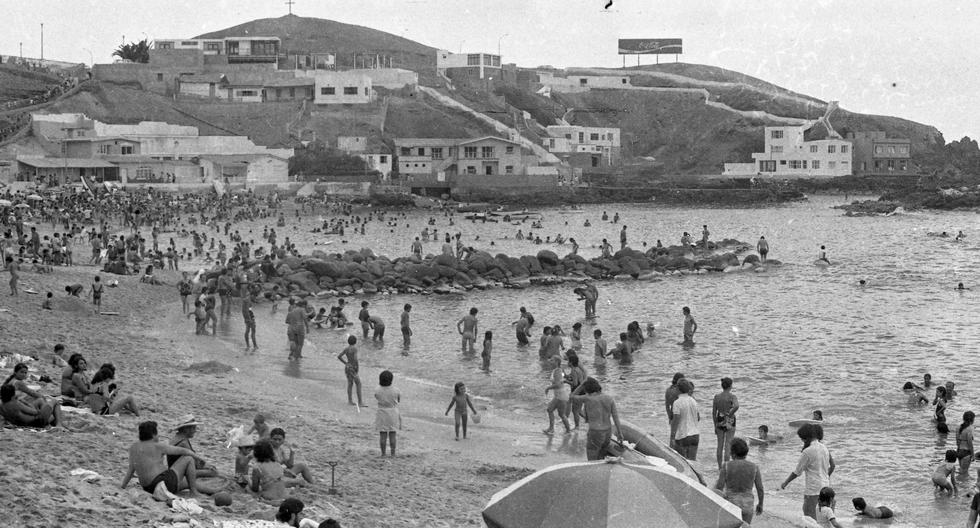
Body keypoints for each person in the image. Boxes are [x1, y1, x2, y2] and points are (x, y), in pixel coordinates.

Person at [120, 420, 206, 500]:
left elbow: (130, 470)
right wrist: (198, 458)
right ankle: (194, 492)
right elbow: (184, 451)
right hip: (163, 483)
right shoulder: (158, 446)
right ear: (153, 435)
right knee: (188, 459)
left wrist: (123, 486)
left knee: (183, 482)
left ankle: (198, 487)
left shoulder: (134, 448)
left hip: (147, 488)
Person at [780, 423, 836, 520]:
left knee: (810, 517)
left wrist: (785, 483)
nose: (802, 441)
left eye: (802, 438)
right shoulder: (824, 447)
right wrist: (826, 477)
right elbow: (833, 465)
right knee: (826, 518)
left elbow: (797, 472)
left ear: (806, 438)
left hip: (813, 489)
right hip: (826, 487)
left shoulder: (807, 452)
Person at [570, 378, 623, 460]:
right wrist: (620, 433)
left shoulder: (587, 398)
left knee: (592, 458)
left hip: (595, 432)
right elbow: (616, 417)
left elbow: (572, 396)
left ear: (587, 388)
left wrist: (581, 385)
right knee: (602, 457)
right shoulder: (609, 398)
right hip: (608, 432)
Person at [713, 437, 764, 524]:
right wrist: (760, 504)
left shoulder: (726, 466)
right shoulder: (754, 467)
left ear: (732, 453)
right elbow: (760, 489)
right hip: (747, 505)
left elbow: (719, 487)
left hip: (731, 504)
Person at [168, 415, 218, 482]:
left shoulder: (177, 437)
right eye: (194, 428)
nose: (195, 431)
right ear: (186, 429)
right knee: (213, 472)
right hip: (178, 472)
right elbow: (194, 463)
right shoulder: (183, 442)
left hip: (173, 469)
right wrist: (206, 466)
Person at [0, 384, 64, 428]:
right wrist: (26, 403)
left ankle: (50, 418)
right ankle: (59, 425)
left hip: (20, 423)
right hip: (36, 422)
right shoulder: (16, 403)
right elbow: (35, 412)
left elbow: (3, 419)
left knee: (40, 400)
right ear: (12, 395)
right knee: (55, 401)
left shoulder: (1, 405)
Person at [712, 377, 740, 469]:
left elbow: (713, 412)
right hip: (730, 421)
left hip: (719, 420)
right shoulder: (732, 396)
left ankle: (720, 467)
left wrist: (715, 425)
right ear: (730, 386)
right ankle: (726, 468)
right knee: (728, 445)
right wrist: (730, 413)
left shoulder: (717, 397)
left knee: (719, 445)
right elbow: (736, 406)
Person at [672, 378, 700, 460]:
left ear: (678, 389)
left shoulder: (677, 403)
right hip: (695, 435)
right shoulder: (693, 401)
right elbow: (698, 418)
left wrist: (672, 437)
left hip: (682, 435)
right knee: (693, 462)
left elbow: (676, 420)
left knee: (682, 461)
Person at [543, 355, 571, 435]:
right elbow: (565, 377)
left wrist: (548, 388)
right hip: (559, 395)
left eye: (552, 360)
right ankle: (551, 428)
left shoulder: (557, 371)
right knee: (550, 409)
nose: (550, 362)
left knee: (561, 414)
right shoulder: (559, 369)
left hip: (560, 395)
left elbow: (558, 384)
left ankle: (568, 431)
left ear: (557, 362)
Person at [375, 370, 401, 456]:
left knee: (383, 436)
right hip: (393, 413)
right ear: (391, 380)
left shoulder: (378, 389)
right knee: (392, 435)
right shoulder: (396, 390)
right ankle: (393, 454)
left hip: (382, 413)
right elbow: (398, 400)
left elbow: (376, 397)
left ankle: (383, 454)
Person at [338, 336, 364, 407]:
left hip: (347, 367)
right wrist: (357, 367)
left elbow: (339, 356)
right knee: (358, 384)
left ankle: (350, 400)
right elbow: (355, 358)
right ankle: (360, 402)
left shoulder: (346, 349)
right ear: (355, 342)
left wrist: (346, 363)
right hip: (353, 367)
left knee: (350, 384)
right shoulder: (354, 349)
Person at [565, 353, 587, 429]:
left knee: (575, 411)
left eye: (568, 361)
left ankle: (577, 426)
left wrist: (566, 382)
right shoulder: (577, 369)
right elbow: (574, 379)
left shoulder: (574, 370)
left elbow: (575, 383)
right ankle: (589, 420)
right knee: (578, 410)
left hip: (577, 391)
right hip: (582, 390)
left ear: (571, 362)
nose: (567, 363)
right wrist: (565, 376)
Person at [665, 372, 684, 448]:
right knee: (681, 437)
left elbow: (667, 406)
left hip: (672, 414)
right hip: (680, 415)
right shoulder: (679, 391)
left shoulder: (668, 390)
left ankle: (671, 451)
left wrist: (670, 416)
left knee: (672, 436)